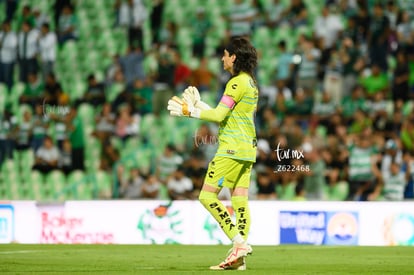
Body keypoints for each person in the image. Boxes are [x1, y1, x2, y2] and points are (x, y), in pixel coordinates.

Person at [167, 37, 258, 270]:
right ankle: (240, 259)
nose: (222, 58)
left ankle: (238, 243)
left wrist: (190, 112)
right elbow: (227, 115)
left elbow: (218, 117)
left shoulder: (236, 83)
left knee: (207, 197)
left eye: (225, 54)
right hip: (247, 149)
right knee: (239, 200)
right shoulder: (250, 83)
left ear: (234, 57)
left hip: (230, 149)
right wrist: (200, 106)